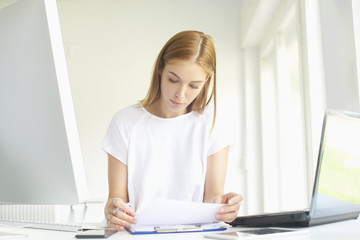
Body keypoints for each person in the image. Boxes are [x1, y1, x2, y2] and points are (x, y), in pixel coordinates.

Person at [102, 30, 242, 231]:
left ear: (206, 83)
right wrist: (113, 211)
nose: (181, 95)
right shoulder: (125, 122)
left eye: (194, 86)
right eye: (173, 80)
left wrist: (225, 205)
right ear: (160, 69)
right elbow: (117, 200)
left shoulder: (214, 123)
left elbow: (213, 198)